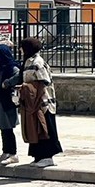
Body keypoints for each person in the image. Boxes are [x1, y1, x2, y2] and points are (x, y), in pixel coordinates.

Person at [11, 37, 64, 167]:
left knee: (44, 128)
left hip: (42, 102)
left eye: (22, 47)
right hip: (32, 103)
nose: (20, 50)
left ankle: (47, 157)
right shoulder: (28, 61)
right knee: (34, 128)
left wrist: (27, 87)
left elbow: (43, 82)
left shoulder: (37, 62)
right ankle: (38, 156)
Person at [0, 43, 21, 165]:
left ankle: (13, 153)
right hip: (0, 103)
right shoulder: (2, 68)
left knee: (8, 128)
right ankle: (6, 152)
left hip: (7, 103)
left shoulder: (11, 67)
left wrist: (7, 83)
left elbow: (19, 76)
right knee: (3, 128)